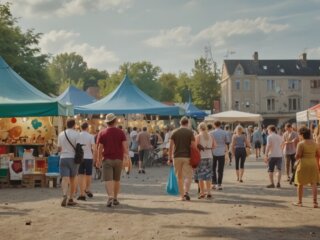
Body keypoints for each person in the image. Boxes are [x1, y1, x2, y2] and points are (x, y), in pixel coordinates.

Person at [96, 113, 128, 207]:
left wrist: (98, 160)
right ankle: (115, 198)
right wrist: (126, 157)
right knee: (116, 180)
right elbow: (125, 146)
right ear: (114, 121)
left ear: (107, 122)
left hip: (107, 159)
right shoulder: (120, 132)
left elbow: (99, 148)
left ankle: (110, 196)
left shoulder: (102, 132)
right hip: (119, 159)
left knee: (108, 179)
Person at [168, 116, 195, 201]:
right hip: (187, 157)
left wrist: (169, 158)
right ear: (187, 123)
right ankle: (186, 192)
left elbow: (171, 146)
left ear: (180, 122)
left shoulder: (174, 132)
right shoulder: (190, 132)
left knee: (179, 177)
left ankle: (182, 196)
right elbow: (193, 146)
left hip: (177, 157)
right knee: (188, 175)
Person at [57, 118, 81, 207]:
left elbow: (59, 148)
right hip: (73, 158)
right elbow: (79, 147)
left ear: (66, 125)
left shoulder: (61, 134)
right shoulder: (77, 134)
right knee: (73, 179)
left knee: (64, 178)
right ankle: (71, 198)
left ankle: (64, 195)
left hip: (63, 158)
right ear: (74, 125)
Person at [293, 127, 319, 208]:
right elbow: (318, 155)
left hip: (303, 164)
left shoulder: (300, 144)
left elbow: (297, 156)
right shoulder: (315, 143)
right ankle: (315, 203)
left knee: (300, 183)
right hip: (313, 163)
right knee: (313, 183)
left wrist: (296, 157)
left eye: (299, 134)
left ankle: (299, 202)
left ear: (302, 135)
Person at [195, 122, 215, 199]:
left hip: (201, 157)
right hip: (210, 157)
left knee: (200, 176)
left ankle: (202, 192)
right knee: (208, 175)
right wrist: (208, 148)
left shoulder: (198, 136)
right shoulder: (210, 136)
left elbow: (195, 147)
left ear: (199, 128)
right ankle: (209, 192)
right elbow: (214, 146)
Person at [77, 122, 95, 201]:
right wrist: (95, 157)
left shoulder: (78, 135)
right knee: (88, 174)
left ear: (81, 128)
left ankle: (81, 193)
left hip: (80, 157)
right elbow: (94, 147)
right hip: (88, 157)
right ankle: (87, 188)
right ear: (87, 127)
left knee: (80, 175)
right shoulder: (91, 136)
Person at [210, 121, 228, 190]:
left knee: (213, 168)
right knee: (220, 169)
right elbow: (227, 142)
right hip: (222, 152)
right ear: (220, 125)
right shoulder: (224, 132)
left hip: (213, 152)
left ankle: (214, 183)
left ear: (214, 125)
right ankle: (219, 184)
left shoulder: (211, 133)